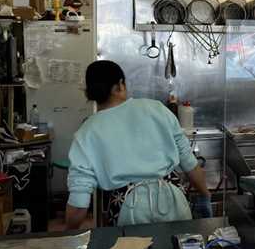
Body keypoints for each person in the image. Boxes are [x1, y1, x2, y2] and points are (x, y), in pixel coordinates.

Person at [65, 60, 211, 229]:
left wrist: (69, 232)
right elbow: (190, 164)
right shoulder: (157, 109)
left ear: (89, 92)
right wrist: (205, 196)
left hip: (127, 207)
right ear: (120, 85)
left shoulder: (86, 131)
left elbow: (79, 200)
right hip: (173, 200)